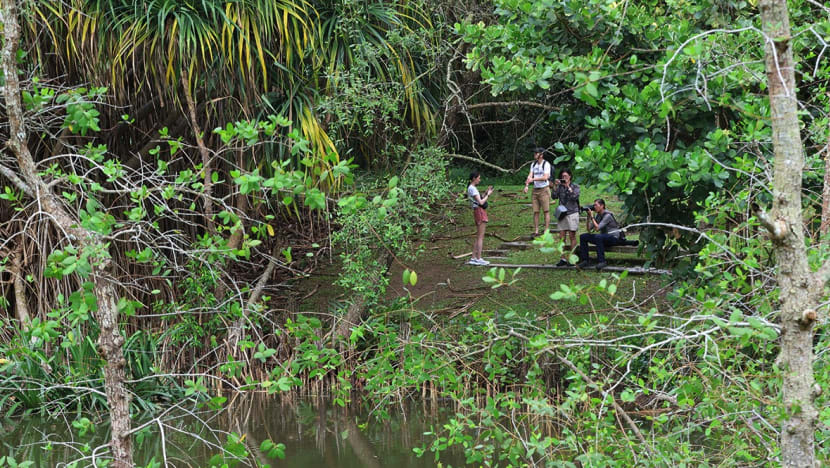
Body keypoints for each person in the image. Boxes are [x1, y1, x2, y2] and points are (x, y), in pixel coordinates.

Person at [576, 199, 622, 270]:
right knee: (583, 236)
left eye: (596, 205)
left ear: (602, 206)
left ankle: (602, 261)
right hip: (603, 237)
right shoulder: (598, 216)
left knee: (598, 237)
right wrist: (588, 217)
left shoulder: (608, 215)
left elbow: (597, 228)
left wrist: (592, 217)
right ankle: (585, 260)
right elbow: (589, 229)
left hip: (613, 238)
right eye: (593, 205)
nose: (594, 207)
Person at [552, 168, 580, 266]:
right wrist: (555, 186)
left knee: (572, 236)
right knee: (561, 237)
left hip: (572, 212)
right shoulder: (560, 186)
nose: (564, 178)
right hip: (562, 213)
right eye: (562, 176)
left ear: (570, 176)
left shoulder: (575, 186)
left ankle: (572, 258)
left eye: (566, 176)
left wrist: (568, 187)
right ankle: (562, 258)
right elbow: (554, 196)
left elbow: (574, 197)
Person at [522, 147, 551, 237]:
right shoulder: (533, 164)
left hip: (544, 189)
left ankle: (546, 230)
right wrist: (526, 186)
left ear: (541, 155)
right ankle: (536, 230)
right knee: (536, 211)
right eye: (534, 153)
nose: (534, 154)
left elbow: (545, 177)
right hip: (535, 190)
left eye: (536, 153)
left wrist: (533, 179)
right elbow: (530, 175)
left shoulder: (546, 164)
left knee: (546, 211)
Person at [467, 171, 493, 266]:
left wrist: (486, 192)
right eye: (478, 178)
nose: (479, 180)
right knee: (480, 237)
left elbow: (478, 199)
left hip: (477, 211)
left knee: (478, 236)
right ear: (474, 178)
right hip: (479, 211)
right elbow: (481, 202)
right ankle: (479, 258)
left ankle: (473, 257)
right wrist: (488, 195)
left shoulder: (471, 188)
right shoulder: (472, 188)